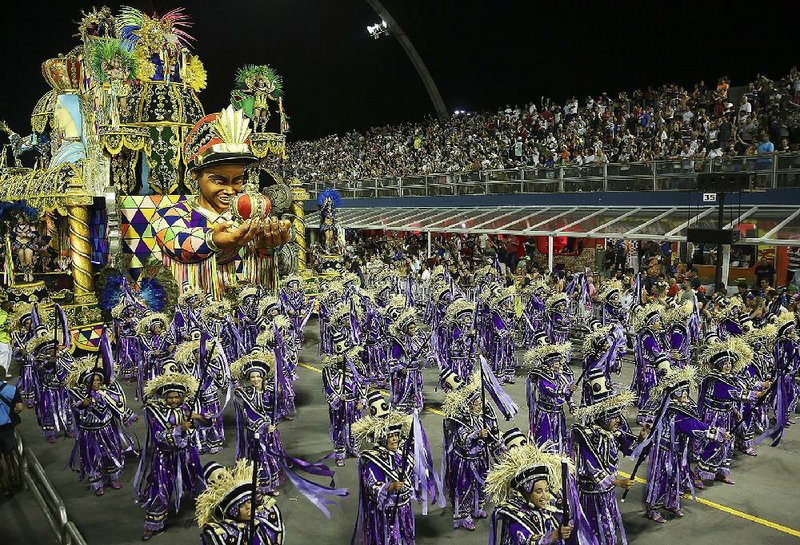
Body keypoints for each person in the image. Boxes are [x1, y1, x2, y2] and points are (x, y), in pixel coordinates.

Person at [152, 106, 291, 300]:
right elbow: (178, 244)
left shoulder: (250, 216)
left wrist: (269, 247)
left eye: (237, 180)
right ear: (195, 175)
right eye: (219, 181)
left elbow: (277, 272)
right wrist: (214, 241)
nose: (230, 190)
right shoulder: (168, 215)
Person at [136, 371, 208, 541]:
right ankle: (153, 524)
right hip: (164, 457)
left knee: (197, 482)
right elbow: (158, 437)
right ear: (164, 397)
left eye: (177, 397)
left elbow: (208, 423)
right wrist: (178, 429)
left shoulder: (188, 408)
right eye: (170, 397)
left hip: (187, 454)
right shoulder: (155, 412)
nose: (174, 400)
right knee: (160, 488)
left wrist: (200, 417)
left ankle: (207, 513)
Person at [572, 391, 645, 545]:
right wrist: (617, 482)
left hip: (607, 492)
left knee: (607, 525)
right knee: (595, 529)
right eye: (614, 417)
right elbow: (592, 468)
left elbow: (630, 448)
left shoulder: (614, 433)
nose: (618, 420)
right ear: (603, 417)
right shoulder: (587, 437)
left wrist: (641, 439)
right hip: (592, 495)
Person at [66, 350, 137, 496]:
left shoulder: (106, 393)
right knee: (93, 456)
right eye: (93, 381)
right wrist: (83, 404)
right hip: (90, 432)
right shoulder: (79, 394)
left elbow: (118, 406)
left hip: (108, 430)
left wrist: (128, 416)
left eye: (99, 380)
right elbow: (75, 408)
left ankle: (113, 478)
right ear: (86, 382)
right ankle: (97, 483)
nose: (97, 383)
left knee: (110, 453)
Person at [441, 371, 500, 530]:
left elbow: (491, 434)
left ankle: (477, 508)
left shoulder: (481, 417)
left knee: (479, 485)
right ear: (469, 405)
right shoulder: (459, 419)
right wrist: (477, 434)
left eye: (480, 403)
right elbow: (462, 438)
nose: (479, 406)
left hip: (479, 458)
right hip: (464, 461)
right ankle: (463, 515)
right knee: (464, 486)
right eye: (476, 404)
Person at [485, 443, 574, 544]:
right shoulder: (516, 516)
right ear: (527, 493)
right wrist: (556, 534)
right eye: (538, 491)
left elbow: (568, 520)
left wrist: (567, 526)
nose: (544, 496)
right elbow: (528, 542)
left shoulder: (549, 505)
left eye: (546, 489)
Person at [352, 412, 416, 545]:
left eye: (396, 435)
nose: (395, 439)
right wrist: (390, 486)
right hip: (387, 511)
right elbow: (371, 485)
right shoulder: (374, 460)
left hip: (404, 507)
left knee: (406, 535)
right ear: (383, 439)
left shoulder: (402, 455)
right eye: (390, 436)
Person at [195, 459, 285, 545]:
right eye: (242, 505)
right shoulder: (222, 534)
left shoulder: (267, 513)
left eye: (249, 501)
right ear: (233, 512)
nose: (248, 507)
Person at [0, 368, 23, 497]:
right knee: (9, 453)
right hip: (7, 428)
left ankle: (4, 487)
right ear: (3, 375)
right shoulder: (11, 389)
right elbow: (20, 407)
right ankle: (13, 475)